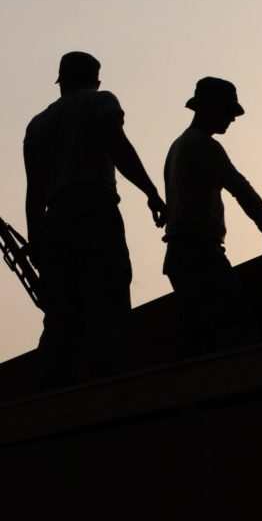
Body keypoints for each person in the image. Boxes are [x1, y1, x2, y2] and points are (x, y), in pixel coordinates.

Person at [24, 51, 167, 389]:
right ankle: (110, 382)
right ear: (95, 80)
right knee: (107, 296)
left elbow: (35, 192)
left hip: (54, 225)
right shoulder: (99, 102)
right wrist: (151, 192)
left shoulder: (36, 126)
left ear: (61, 82)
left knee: (60, 312)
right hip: (93, 213)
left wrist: (35, 241)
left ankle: (53, 385)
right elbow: (118, 148)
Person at [163, 77, 262, 355]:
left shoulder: (178, 146)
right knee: (236, 329)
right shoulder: (203, 145)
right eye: (228, 111)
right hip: (198, 252)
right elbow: (241, 189)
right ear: (209, 109)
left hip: (180, 256)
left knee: (203, 340)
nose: (232, 118)